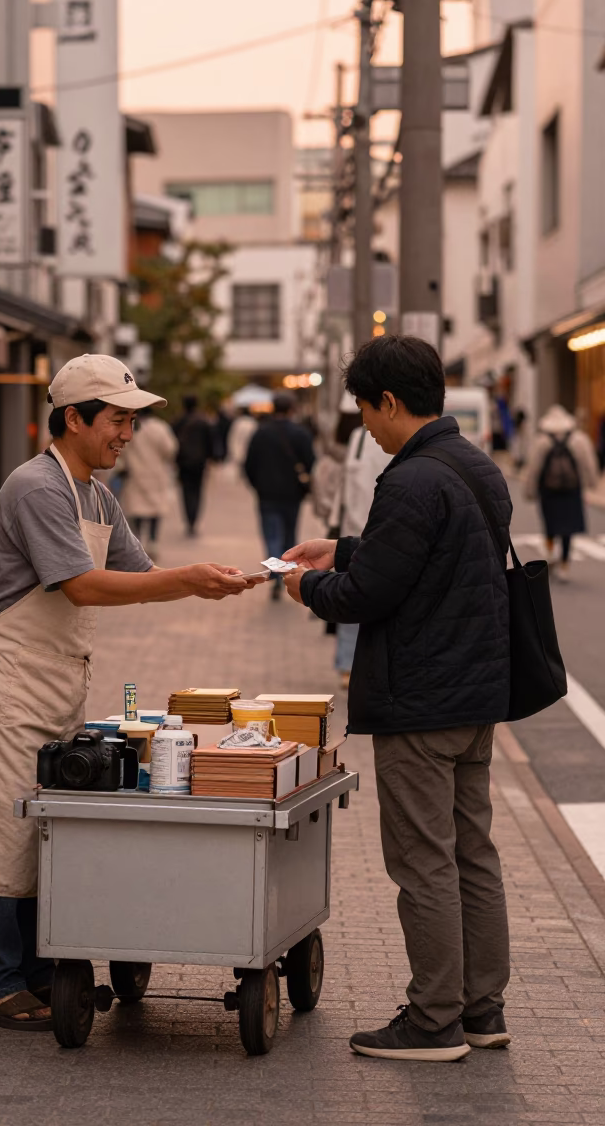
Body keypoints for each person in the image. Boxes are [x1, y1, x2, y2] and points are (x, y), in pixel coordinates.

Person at [0, 354, 251, 1032]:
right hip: (3, 682)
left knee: (37, 832)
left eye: (131, 420)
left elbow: (138, 572)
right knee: (0, 831)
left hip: (50, 680)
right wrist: (187, 579)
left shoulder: (94, 493)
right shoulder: (37, 487)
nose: (127, 433)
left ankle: (30, 972)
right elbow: (84, 586)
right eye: (118, 419)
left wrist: (219, 579)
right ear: (75, 419)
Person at [283, 335, 513, 1062]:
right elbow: (422, 557)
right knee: (472, 853)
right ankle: (481, 1009)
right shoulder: (475, 467)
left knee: (424, 862)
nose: (365, 427)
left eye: (364, 409)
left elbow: (369, 594)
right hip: (476, 696)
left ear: (389, 401)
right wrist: (341, 547)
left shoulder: (410, 479)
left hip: (421, 700)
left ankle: (433, 1019)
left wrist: (307, 586)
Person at [329, 422, 392, 687]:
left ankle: (353, 664)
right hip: (357, 528)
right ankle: (348, 663)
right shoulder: (360, 437)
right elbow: (345, 486)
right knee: (352, 595)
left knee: (358, 596)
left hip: (375, 529)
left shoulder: (385, 440)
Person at [244, 393, 315, 600]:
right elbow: (311, 463)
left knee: (271, 535)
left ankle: (275, 575)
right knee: (290, 536)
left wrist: (258, 485)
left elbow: (249, 465)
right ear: (292, 409)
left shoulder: (261, 433)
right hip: (293, 493)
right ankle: (288, 576)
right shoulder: (301, 433)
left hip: (267, 494)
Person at [523, 404, 599, 581]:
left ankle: (550, 552)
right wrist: (592, 483)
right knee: (568, 527)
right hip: (571, 490)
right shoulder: (578, 439)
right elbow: (588, 463)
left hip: (548, 491)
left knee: (550, 523)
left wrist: (530, 491)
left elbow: (533, 468)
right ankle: (565, 563)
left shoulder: (542, 440)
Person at [118, 407, 178, 561]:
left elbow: (121, 450)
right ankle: (152, 542)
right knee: (155, 510)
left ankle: (137, 541)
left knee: (136, 510)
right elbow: (170, 449)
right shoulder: (160, 427)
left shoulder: (130, 427)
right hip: (156, 475)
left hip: (135, 475)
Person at [172, 394, 215, 537]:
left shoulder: (178, 421)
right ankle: (193, 520)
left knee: (186, 492)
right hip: (199, 462)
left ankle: (189, 520)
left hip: (183, 462)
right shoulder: (203, 421)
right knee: (197, 491)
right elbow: (210, 442)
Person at [227, 406, 258, 479]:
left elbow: (232, 437)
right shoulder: (253, 422)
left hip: (238, 446)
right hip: (249, 447)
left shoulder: (237, 422)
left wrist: (231, 448)